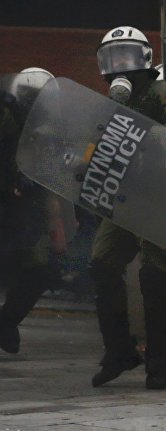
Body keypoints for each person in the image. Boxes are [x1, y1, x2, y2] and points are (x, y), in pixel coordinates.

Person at [89, 26, 166, 389]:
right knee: (102, 264)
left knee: (155, 279)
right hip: (123, 197)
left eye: (126, 56)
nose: (119, 66)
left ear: (145, 59)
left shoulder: (162, 93)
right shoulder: (110, 103)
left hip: (159, 197)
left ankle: (159, 366)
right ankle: (119, 350)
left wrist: (143, 134)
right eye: (112, 57)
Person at [0, 68, 68, 355]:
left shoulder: (47, 128)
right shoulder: (5, 119)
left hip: (25, 209)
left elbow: (52, 174)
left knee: (39, 269)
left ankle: (6, 320)